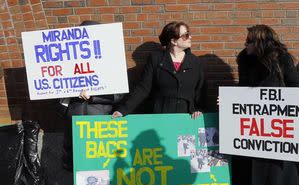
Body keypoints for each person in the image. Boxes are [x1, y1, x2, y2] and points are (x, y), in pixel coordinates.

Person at [236, 25, 299, 185]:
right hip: (255, 117)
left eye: (249, 41)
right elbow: (242, 87)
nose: (245, 44)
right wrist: (231, 101)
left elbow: (295, 84)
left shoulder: (282, 58)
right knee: (255, 161)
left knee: (276, 161)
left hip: (277, 117)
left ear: (260, 43)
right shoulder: (244, 58)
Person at [61, 20, 124, 171]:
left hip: (99, 119)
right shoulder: (68, 62)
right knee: (76, 162)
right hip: (75, 119)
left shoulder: (112, 63)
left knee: (100, 162)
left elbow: (119, 95)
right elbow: (57, 91)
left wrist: (94, 96)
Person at [112, 21, 204, 118]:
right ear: (173, 41)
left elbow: (200, 91)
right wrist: (123, 110)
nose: (190, 37)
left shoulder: (195, 62)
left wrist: (199, 109)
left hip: (187, 118)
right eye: (185, 35)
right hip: (160, 117)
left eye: (189, 34)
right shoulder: (156, 59)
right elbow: (143, 88)